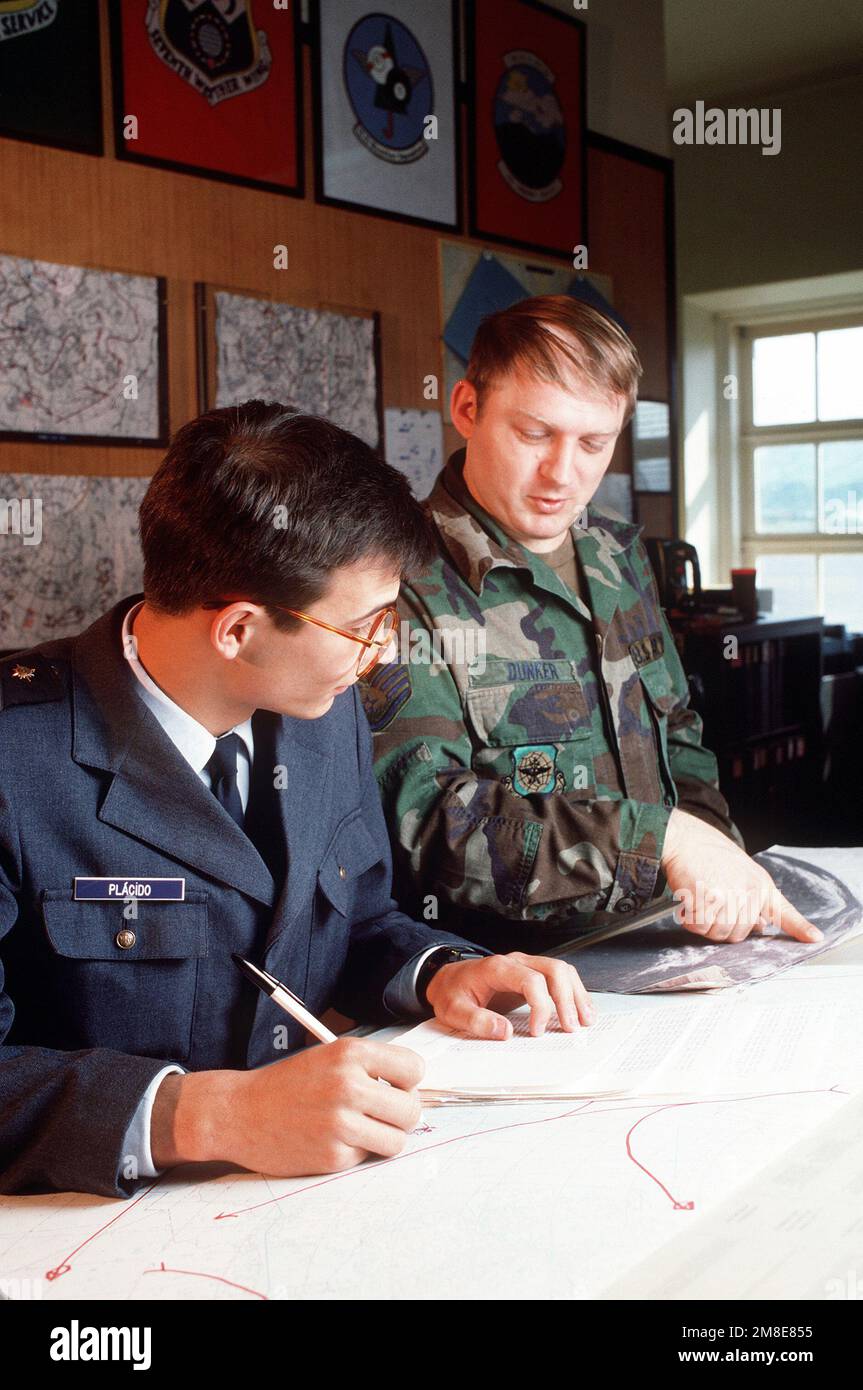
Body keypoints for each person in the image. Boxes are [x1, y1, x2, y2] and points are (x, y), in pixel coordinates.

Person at [0, 402, 595, 1201]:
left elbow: (354, 917)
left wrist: (437, 972)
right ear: (239, 630)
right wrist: (208, 1115)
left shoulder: (322, 706)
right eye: (364, 625)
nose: (384, 652)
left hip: (301, 1201)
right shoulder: (18, 760)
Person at [361, 296, 822, 953]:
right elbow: (432, 825)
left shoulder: (615, 551)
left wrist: (712, 864)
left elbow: (678, 734)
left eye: (593, 443)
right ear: (466, 408)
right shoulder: (397, 578)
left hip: (667, 936)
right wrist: (659, 841)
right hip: (508, 973)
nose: (563, 473)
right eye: (534, 434)